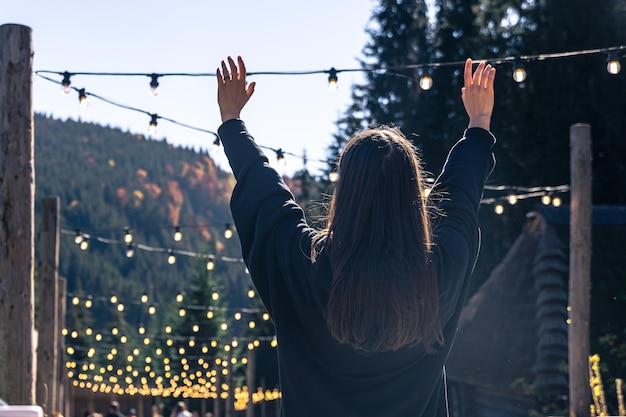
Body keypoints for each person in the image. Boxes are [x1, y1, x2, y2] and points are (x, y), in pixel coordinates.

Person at [215, 56, 496, 417]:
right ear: (413, 197)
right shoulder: (438, 274)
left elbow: (267, 196)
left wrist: (233, 124)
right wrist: (478, 125)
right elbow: (458, 198)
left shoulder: (305, 268)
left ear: (345, 193)